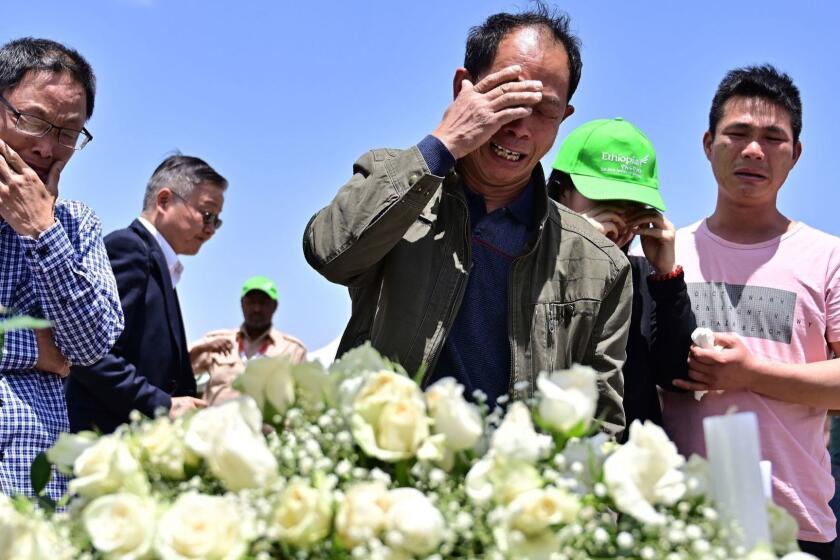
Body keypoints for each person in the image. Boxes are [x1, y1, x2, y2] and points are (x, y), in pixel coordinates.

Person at [303, 5, 632, 434]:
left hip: (510, 493)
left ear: (565, 117)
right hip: (381, 481)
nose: (519, 126)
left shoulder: (599, 265)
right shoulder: (394, 179)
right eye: (506, 98)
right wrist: (443, 145)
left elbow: (600, 424)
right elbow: (329, 252)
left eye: (543, 111)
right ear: (464, 87)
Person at [661, 65, 840, 558]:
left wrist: (750, 373)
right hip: (678, 523)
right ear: (708, 143)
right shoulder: (663, 254)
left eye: (773, 138)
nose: (753, 150)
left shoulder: (829, 257)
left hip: (795, 525)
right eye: (737, 133)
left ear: (795, 154)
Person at [0, 38, 124, 499]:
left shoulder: (76, 224)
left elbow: (90, 344)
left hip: (37, 493)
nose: (48, 147)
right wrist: (38, 350)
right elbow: (62, 351)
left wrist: (40, 229)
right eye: (33, 121)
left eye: (68, 133)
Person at [548, 117, 694, 433]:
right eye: (601, 198)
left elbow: (678, 376)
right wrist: (579, 249)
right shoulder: (530, 265)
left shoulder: (645, 276)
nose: (616, 215)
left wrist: (667, 276)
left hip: (629, 468)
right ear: (561, 193)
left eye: (631, 204)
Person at [67, 155, 227, 434]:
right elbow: (92, 353)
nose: (211, 229)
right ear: (164, 201)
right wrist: (163, 405)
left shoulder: (158, 263)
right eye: (207, 215)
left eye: (217, 221)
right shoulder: (129, 249)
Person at [189, 275, 307, 405]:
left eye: (263, 303)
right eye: (251, 302)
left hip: (265, 425)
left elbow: (304, 396)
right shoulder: (216, 341)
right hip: (217, 423)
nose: (257, 308)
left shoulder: (292, 349)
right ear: (242, 303)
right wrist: (202, 348)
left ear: (274, 306)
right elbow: (177, 367)